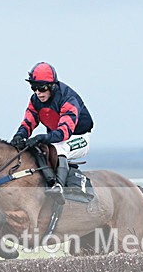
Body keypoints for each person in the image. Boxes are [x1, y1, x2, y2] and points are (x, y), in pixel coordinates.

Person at [10, 62, 93, 204]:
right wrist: (20, 135)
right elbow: (28, 122)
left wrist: (41, 137)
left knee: (60, 149)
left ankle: (58, 188)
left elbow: (63, 133)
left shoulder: (68, 99)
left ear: (52, 86)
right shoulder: (35, 100)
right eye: (34, 88)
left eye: (41, 88)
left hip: (79, 138)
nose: (38, 92)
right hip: (56, 138)